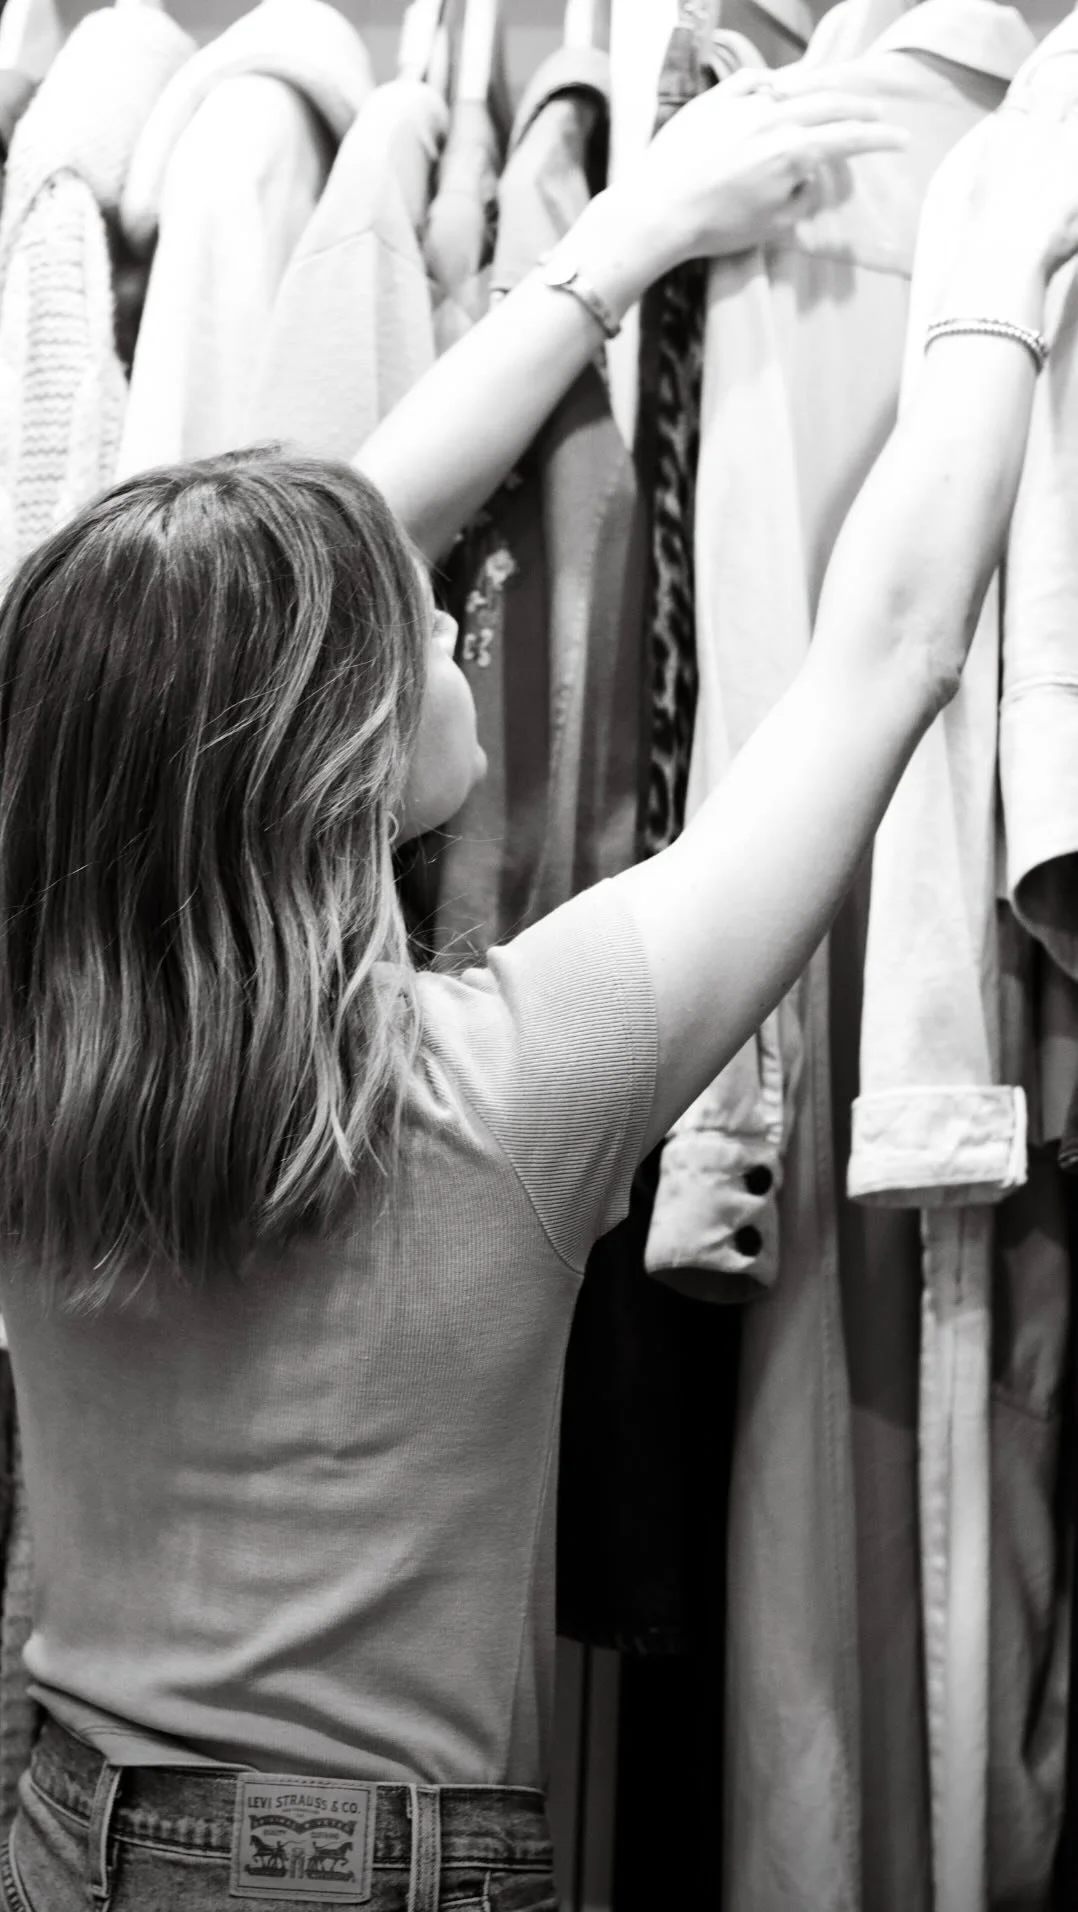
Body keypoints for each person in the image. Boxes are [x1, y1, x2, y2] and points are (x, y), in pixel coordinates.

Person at [0, 62, 1074, 1912]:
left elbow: (208, 634)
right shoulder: (495, 1089)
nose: (444, 609)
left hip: (57, 1830)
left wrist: (615, 245)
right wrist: (992, 244)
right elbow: (889, 652)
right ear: (324, 754)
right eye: (407, 625)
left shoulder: (38, 1043)